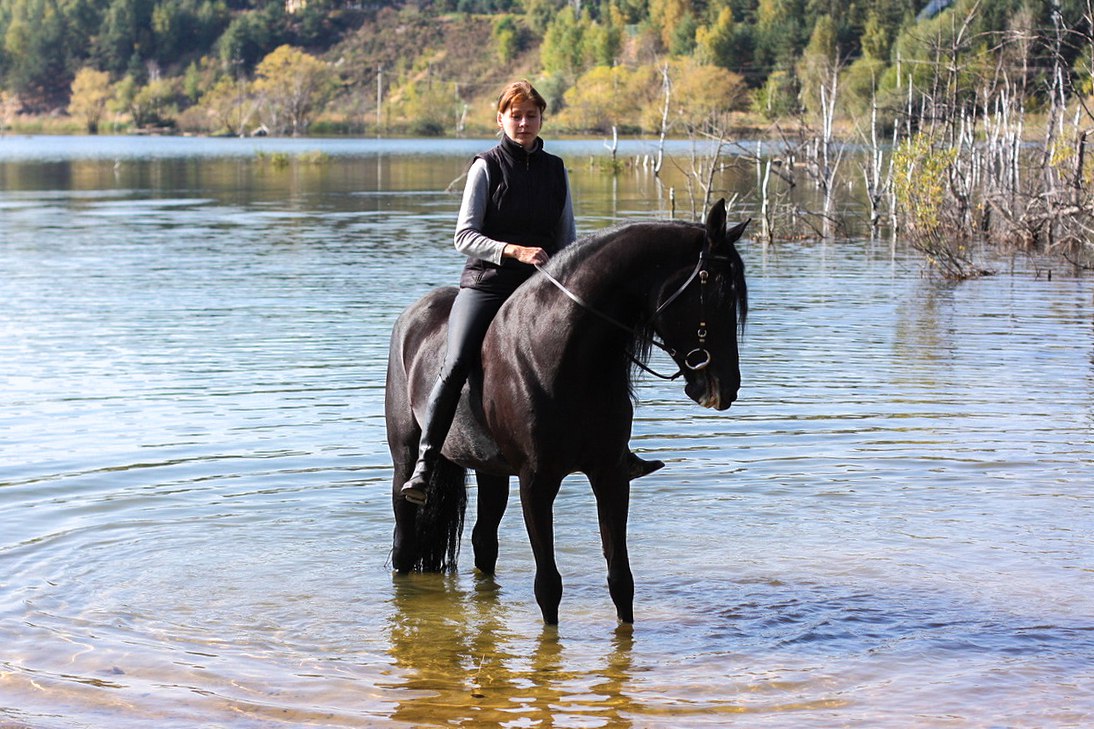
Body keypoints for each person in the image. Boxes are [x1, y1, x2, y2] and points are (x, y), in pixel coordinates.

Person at [401, 80, 663, 505]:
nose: (524, 123)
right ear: (501, 119)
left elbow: (567, 240)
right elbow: (464, 237)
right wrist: (514, 250)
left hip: (541, 288)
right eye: (516, 116)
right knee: (457, 359)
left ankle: (618, 452)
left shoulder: (555, 169)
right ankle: (427, 462)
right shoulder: (486, 167)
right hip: (488, 284)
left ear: (542, 119)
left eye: (531, 115)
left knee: (601, 346)